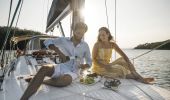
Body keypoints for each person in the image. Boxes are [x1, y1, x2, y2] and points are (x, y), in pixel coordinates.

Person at [21, 22, 92, 100]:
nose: (80, 36)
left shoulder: (85, 46)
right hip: (62, 67)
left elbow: (89, 62)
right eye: (78, 32)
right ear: (73, 30)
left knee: (65, 81)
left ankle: (43, 80)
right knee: (44, 68)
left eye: (82, 34)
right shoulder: (63, 40)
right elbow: (47, 41)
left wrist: (84, 66)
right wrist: (59, 52)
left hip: (74, 71)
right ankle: (23, 98)